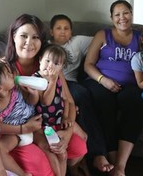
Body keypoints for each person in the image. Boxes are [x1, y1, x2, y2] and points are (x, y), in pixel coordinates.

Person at [4, 13, 83, 175]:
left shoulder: (50, 64)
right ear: (13, 37)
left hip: (52, 122)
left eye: (35, 37)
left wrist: (68, 132)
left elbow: (68, 100)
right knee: (46, 163)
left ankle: (72, 168)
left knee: (79, 147)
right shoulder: (5, 70)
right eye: (23, 36)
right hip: (23, 129)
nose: (29, 43)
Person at [83, 0, 143, 176]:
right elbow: (88, 64)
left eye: (126, 13)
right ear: (111, 18)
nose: (122, 18)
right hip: (99, 81)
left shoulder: (141, 37)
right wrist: (103, 80)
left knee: (134, 101)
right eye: (117, 14)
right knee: (104, 101)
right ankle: (112, 161)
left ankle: (120, 166)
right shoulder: (103, 35)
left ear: (132, 14)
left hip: (131, 85)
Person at [49, 14, 114, 173]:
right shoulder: (45, 46)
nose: (63, 32)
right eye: (58, 28)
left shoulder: (77, 41)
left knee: (83, 95)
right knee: (80, 96)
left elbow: (104, 40)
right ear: (51, 31)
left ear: (72, 31)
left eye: (66, 28)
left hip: (71, 82)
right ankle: (93, 155)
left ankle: (97, 153)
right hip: (52, 84)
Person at [33, 44, 87, 176]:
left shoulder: (57, 77)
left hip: (58, 120)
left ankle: (75, 166)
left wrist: (67, 118)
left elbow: (66, 100)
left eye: (56, 63)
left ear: (61, 67)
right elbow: (46, 101)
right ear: (40, 60)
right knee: (60, 153)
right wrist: (51, 81)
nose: (50, 66)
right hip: (44, 125)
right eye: (47, 61)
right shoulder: (37, 79)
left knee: (84, 136)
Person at [0, 60, 36, 176]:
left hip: (32, 121)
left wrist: (34, 94)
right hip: (16, 132)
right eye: (8, 75)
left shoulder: (15, 89)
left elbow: (31, 103)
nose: (12, 75)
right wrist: (22, 128)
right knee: (0, 150)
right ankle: (22, 174)